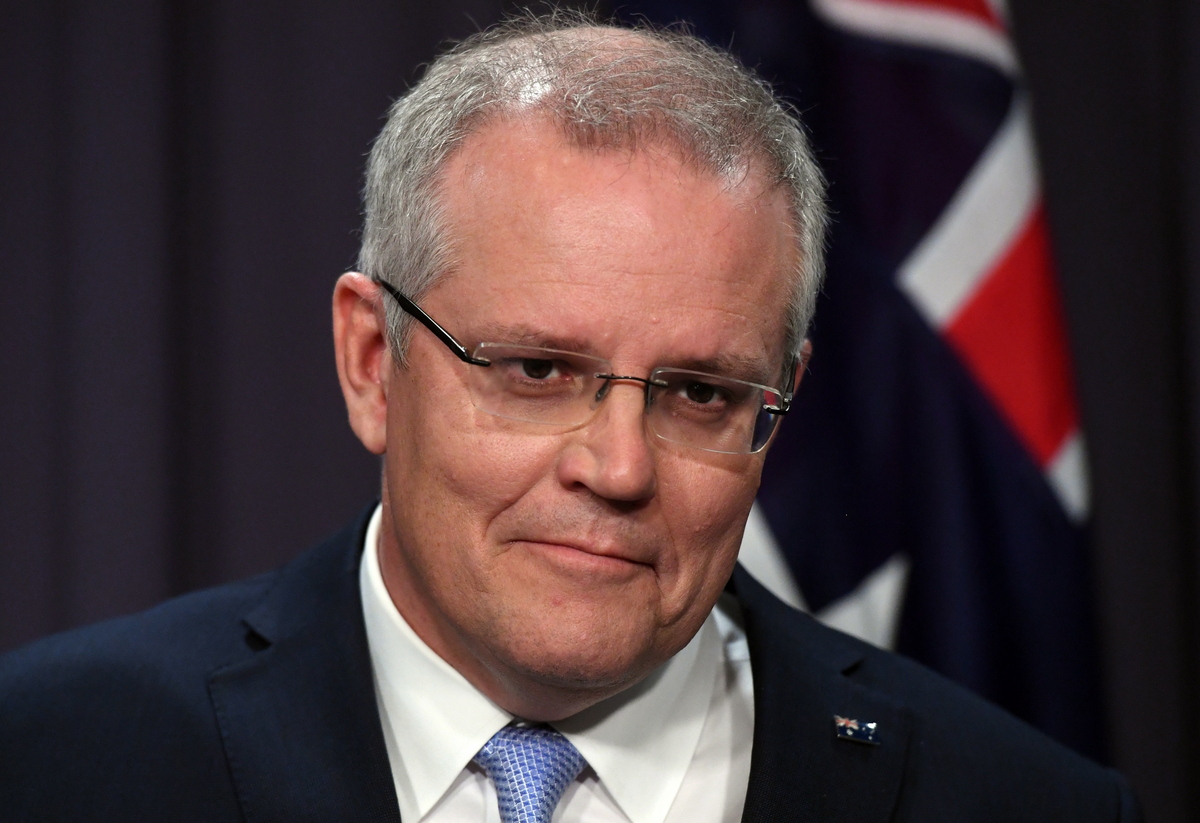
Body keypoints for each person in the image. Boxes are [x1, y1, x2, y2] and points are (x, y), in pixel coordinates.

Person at [0, 11, 1139, 823]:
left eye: (701, 392)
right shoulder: (50, 757)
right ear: (369, 362)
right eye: (538, 370)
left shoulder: (1018, 801)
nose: (620, 465)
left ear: (776, 407)